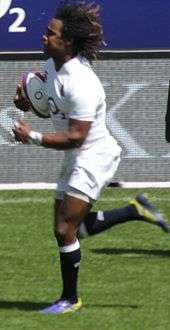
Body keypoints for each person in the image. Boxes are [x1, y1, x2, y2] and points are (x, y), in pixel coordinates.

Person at [13, 0, 169, 315]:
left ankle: (70, 300)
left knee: (64, 229)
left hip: (94, 156)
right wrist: (30, 102)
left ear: (68, 41)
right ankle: (135, 209)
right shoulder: (52, 65)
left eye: (50, 33)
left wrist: (32, 136)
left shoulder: (82, 83)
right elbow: (49, 102)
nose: (44, 37)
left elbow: (76, 136)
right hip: (77, 156)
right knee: (73, 226)